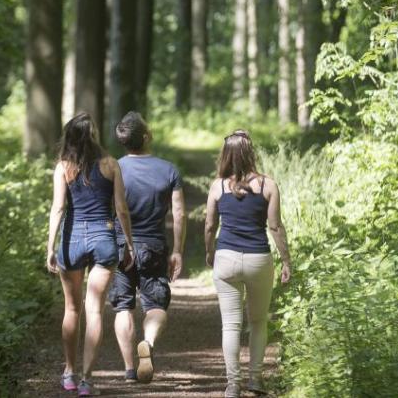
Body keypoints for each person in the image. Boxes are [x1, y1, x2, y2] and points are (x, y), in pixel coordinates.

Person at [46, 112, 135, 397]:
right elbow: (121, 209)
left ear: (69, 136)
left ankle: (69, 372)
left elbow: (58, 208)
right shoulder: (111, 164)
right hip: (103, 238)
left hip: (71, 238)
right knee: (94, 309)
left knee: (71, 309)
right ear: (93, 135)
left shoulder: (63, 167)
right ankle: (86, 380)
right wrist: (129, 244)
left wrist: (50, 246)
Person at [204, 130, 292, 398]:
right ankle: (255, 380)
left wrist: (210, 252)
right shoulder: (268, 185)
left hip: (226, 259)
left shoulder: (217, 186)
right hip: (258, 260)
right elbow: (275, 226)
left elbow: (209, 226)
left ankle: (233, 384)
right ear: (251, 153)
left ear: (226, 156)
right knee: (258, 322)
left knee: (230, 324)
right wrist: (286, 259)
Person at [108, 112, 186, 384]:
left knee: (123, 307)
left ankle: (130, 370)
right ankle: (148, 343)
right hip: (153, 246)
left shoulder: (113, 168)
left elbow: (110, 210)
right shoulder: (168, 169)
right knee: (156, 304)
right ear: (145, 136)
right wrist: (177, 250)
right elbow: (179, 213)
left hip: (120, 246)